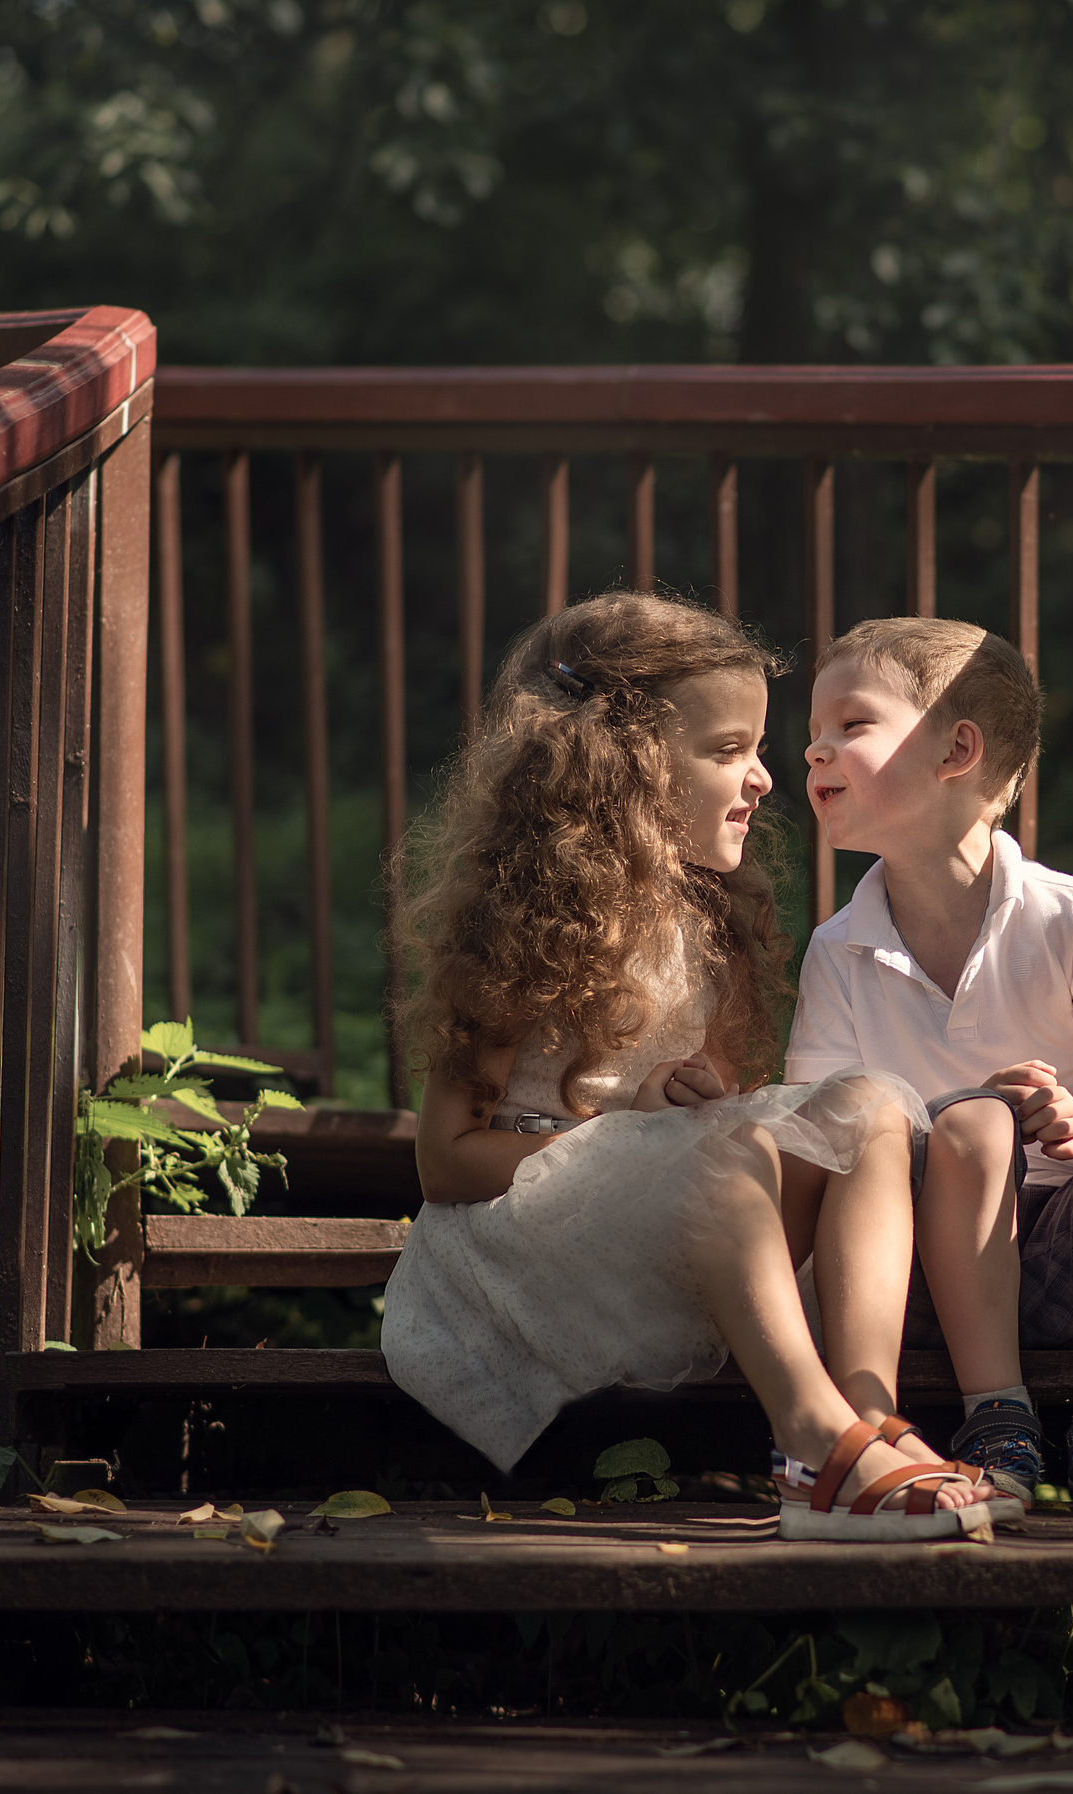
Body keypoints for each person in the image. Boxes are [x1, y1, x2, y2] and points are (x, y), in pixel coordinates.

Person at [379, 593, 1005, 1541]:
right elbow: (445, 1163)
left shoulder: (707, 918)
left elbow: (701, 1138)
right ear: (619, 764)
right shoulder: (536, 921)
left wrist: (688, 1111)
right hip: (512, 1270)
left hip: (654, 1242)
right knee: (725, 1154)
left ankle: (866, 1417)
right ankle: (810, 1446)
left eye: (758, 748)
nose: (763, 777)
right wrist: (634, 1142)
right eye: (727, 750)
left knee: (874, 1110)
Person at [787, 618, 1073, 1513]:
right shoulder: (838, 949)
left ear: (958, 750)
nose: (814, 749)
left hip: (1069, 1255)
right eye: (813, 733)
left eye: (850, 725)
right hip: (914, 1279)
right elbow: (819, 1129)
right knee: (973, 1123)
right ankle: (997, 1419)